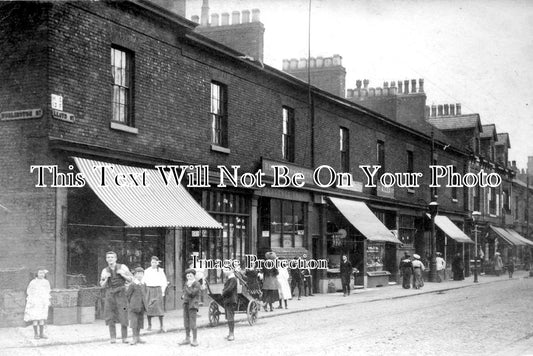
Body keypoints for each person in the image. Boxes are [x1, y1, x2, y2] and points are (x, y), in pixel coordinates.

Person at [100, 251, 133, 344]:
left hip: (121, 294)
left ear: (116, 258)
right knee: (110, 315)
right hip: (110, 294)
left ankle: (124, 337)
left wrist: (122, 274)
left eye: (112, 257)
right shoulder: (104, 270)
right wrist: (106, 279)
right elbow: (102, 285)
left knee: (123, 314)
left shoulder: (123, 267)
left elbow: (131, 279)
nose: (110, 259)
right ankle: (113, 337)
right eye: (108, 257)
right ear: (106, 259)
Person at [142, 256, 168, 332]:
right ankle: (149, 325)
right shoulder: (147, 271)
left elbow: (164, 281)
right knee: (149, 307)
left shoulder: (160, 271)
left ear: (157, 263)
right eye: (152, 262)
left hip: (158, 290)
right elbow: (144, 281)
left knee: (159, 308)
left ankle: (161, 325)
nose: (153, 264)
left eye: (155, 262)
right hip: (149, 290)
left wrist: (162, 291)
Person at [24, 269, 51, 339]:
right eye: (40, 273)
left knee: (42, 318)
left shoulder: (46, 282)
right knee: (35, 318)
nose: (42, 274)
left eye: (43, 273)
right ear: (37, 274)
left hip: (42, 302)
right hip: (35, 301)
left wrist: (47, 300)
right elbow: (29, 291)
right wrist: (32, 299)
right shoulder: (33, 282)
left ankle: (41, 333)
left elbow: (48, 291)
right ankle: (36, 334)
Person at [179, 268, 201, 347]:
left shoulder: (196, 284)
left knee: (193, 322)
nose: (188, 277)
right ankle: (187, 338)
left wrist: (187, 288)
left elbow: (192, 294)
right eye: (187, 276)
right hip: (186, 304)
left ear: (194, 276)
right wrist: (183, 296)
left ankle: (195, 339)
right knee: (186, 322)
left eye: (190, 276)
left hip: (192, 305)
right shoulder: (186, 284)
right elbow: (185, 293)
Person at [126, 267, 147, 345]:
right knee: (134, 323)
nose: (139, 275)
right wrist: (131, 304)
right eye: (138, 274)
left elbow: (145, 294)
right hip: (134, 307)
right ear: (134, 275)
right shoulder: (132, 285)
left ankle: (138, 337)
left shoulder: (144, 284)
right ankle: (134, 338)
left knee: (140, 322)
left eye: (141, 274)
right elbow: (128, 295)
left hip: (141, 306)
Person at [222, 267, 238, 341]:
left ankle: (232, 334)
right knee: (229, 317)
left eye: (227, 270)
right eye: (224, 270)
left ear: (231, 270)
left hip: (231, 300)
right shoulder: (229, 278)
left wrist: (223, 292)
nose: (225, 271)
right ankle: (230, 333)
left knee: (230, 317)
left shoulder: (233, 279)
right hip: (228, 300)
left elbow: (230, 289)